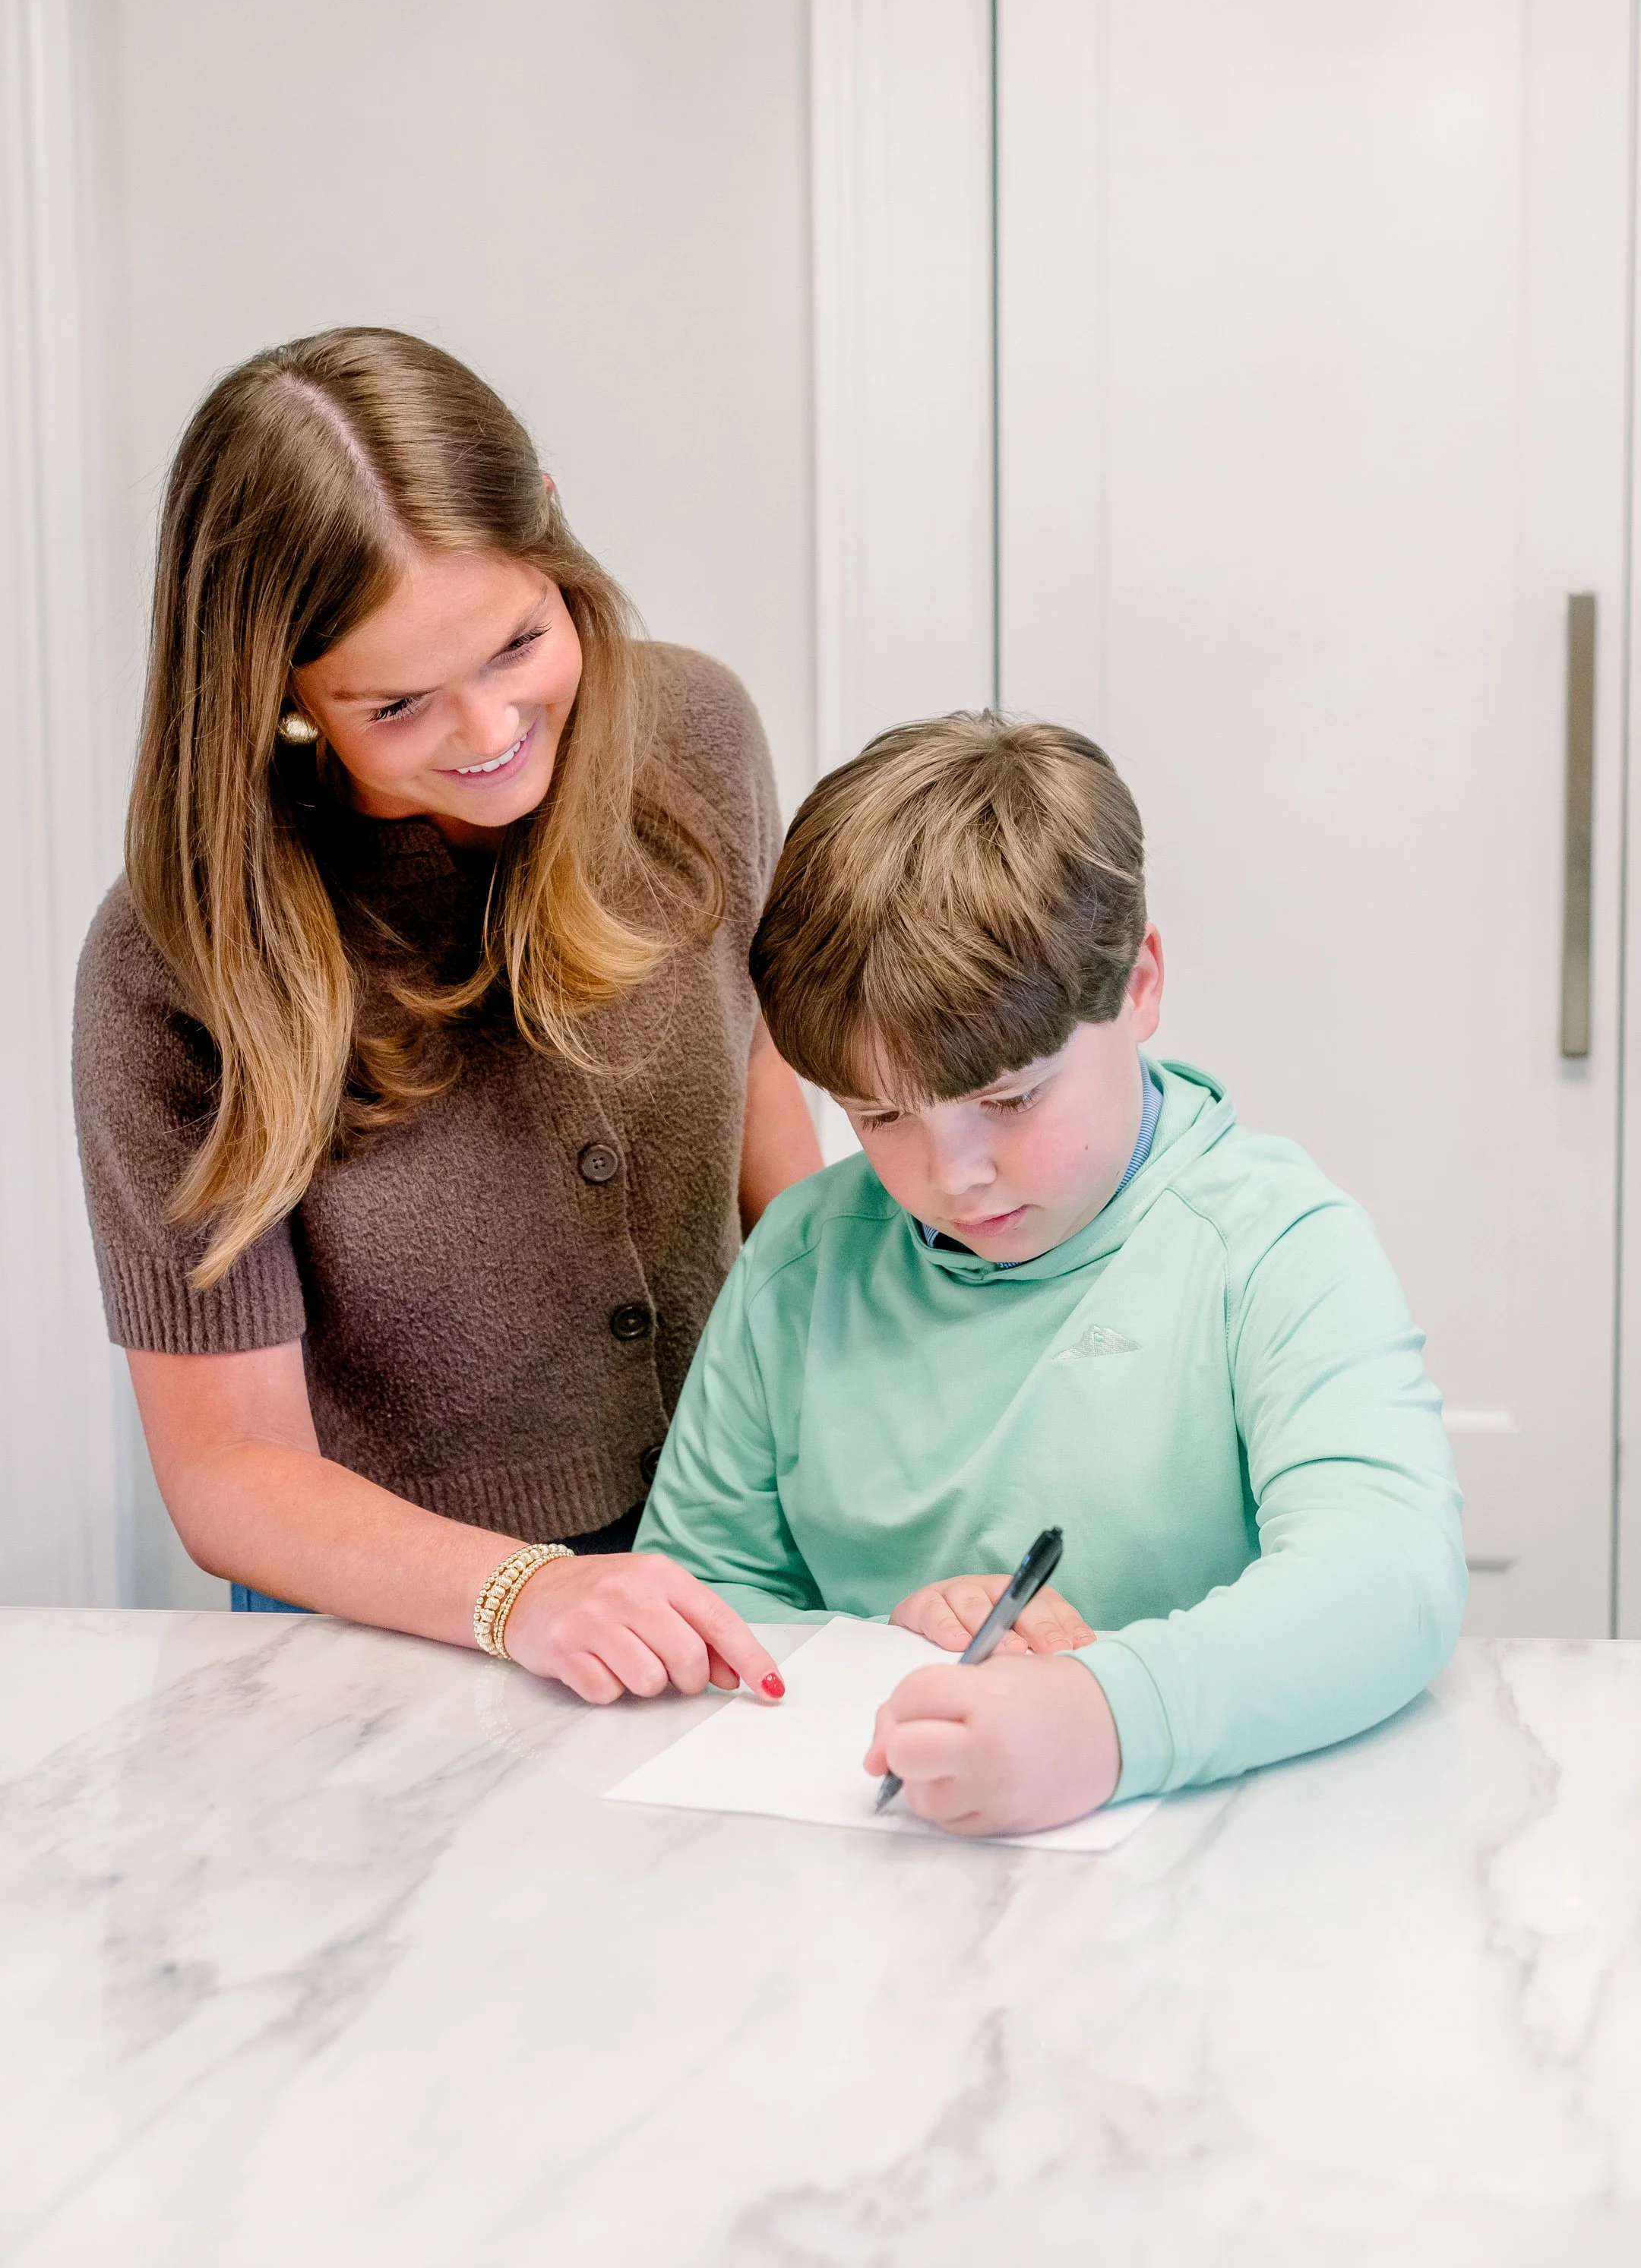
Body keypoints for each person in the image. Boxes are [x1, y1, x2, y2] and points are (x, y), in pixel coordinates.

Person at [74, 327, 820, 1700]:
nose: (487, 728)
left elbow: (767, 1116)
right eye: (400, 701)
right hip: (402, 1631)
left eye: (521, 641)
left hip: (740, 1548)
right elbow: (231, 1471)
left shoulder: (698, 739)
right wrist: (520, 1592)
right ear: (279, 691)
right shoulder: (173, 968)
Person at [636, 712, 1467, 1833]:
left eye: (1012, 1098)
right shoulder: (803, 1259)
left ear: (1140, 985)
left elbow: (1391, 1576)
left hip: (1214, 1873)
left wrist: (1099, 1719)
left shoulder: (1273, 1245)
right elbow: (698, 1600)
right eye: (880, 1117)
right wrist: (887, 1633)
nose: (953, 1175)